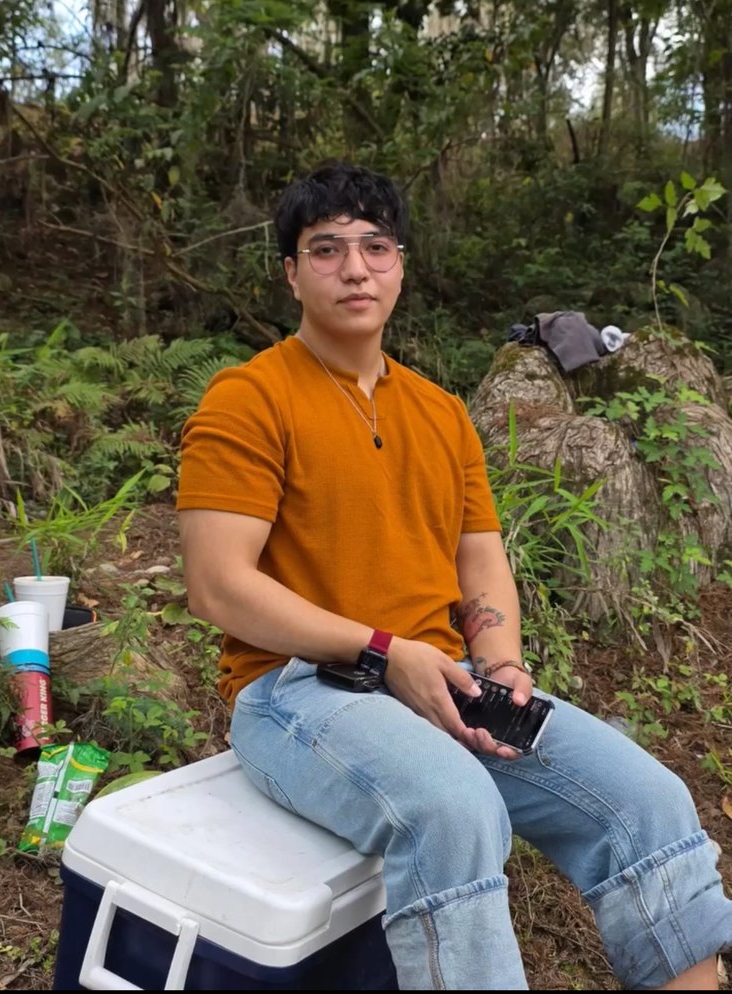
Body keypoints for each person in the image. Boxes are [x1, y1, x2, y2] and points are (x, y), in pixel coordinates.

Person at [176, 162, 732, 990]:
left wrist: (500, 663)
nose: (354, 268)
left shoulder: (439, 413)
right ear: (291, 273)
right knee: (453, 809)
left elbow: (479, 556)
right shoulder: (248, 398)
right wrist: (381, 650)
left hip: (448, 679)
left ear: (399, 262)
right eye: (325, 250)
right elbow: (219, 587)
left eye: (373, 246)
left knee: (645, 800)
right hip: (295, 691)